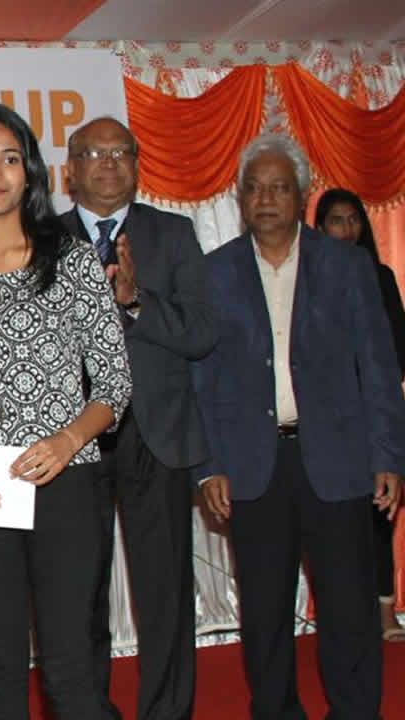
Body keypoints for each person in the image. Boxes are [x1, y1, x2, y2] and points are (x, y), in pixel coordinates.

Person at [0, 103, 130, 719]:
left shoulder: (72, 262)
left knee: (71, 672)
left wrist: (66, 442)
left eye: (9, 159)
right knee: (1, 674)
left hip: (67, 488)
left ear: (30, 172)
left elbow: (114, 383)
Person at [193, 134, 405, 718]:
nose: (266, 199)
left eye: (279, 187)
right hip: (253, 467)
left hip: (338, 460)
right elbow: (202, 379)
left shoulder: (347, 266)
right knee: (264, 612)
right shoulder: (215, 273)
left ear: (301, 196)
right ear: (241, 198)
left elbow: (378, 366)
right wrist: (209, 466)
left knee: (349, 606)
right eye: (255, 188)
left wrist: (388, 455)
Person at [61, 117, 215, 719]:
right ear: (70, 170)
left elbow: (201, 333)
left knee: (165, 590)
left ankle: (166, 712)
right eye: (93, 153)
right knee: (78, 591)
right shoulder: (42, 239)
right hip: (73, 441)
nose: (108, 163)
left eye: (120, 152)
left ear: (136, 164)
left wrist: (134, 301)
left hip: (158, 433)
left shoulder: (173, 235)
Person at [315, 187, 405, 643]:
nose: (346, 229)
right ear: (319, 227)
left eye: (353, 220)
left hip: (371, 419)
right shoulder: (306, 280)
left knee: (378, 517)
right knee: (331, 522)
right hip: (322, 422)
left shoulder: (380, 277)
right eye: (337, 220)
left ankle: (386, 613)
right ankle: (343, 615)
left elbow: (397, 351)